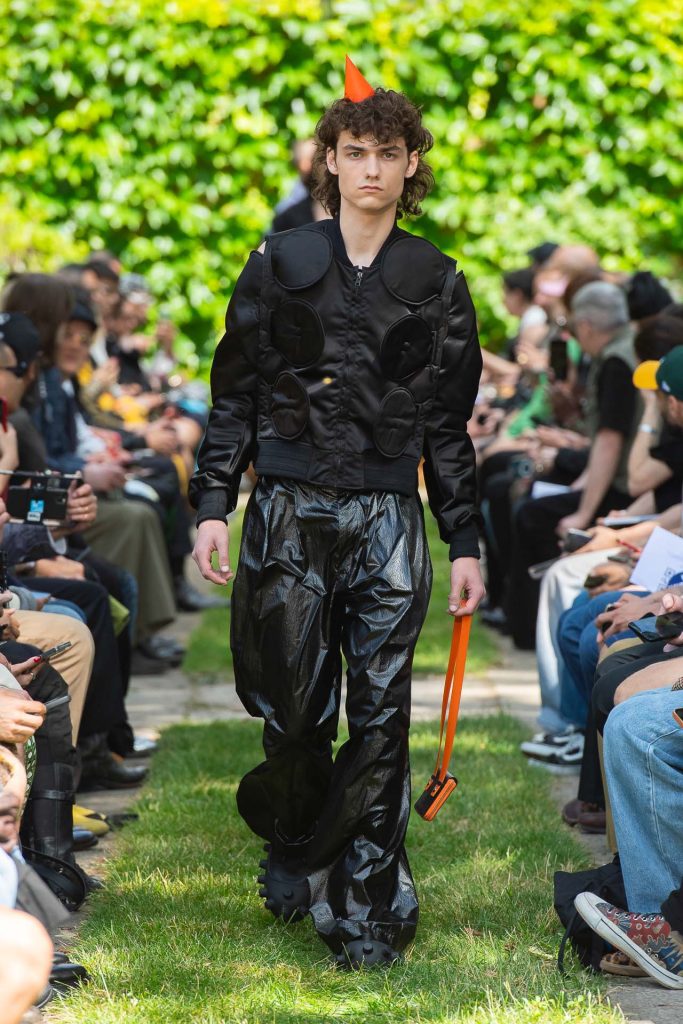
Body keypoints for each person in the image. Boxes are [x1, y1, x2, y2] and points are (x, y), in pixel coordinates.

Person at [190, 60, 485, 968]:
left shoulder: (438, 280)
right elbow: (234, 394)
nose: (370, 168)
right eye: (354, 151)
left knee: (382, 711)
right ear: (329, 159)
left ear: (410, 165)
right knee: (292, 710)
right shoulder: (276, 263)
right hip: (287, 508)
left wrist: (465, 539)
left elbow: (448, 424)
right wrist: (213, 503)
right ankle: (297, 843)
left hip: (388, 516)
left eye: (386, 153)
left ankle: (369, 899)